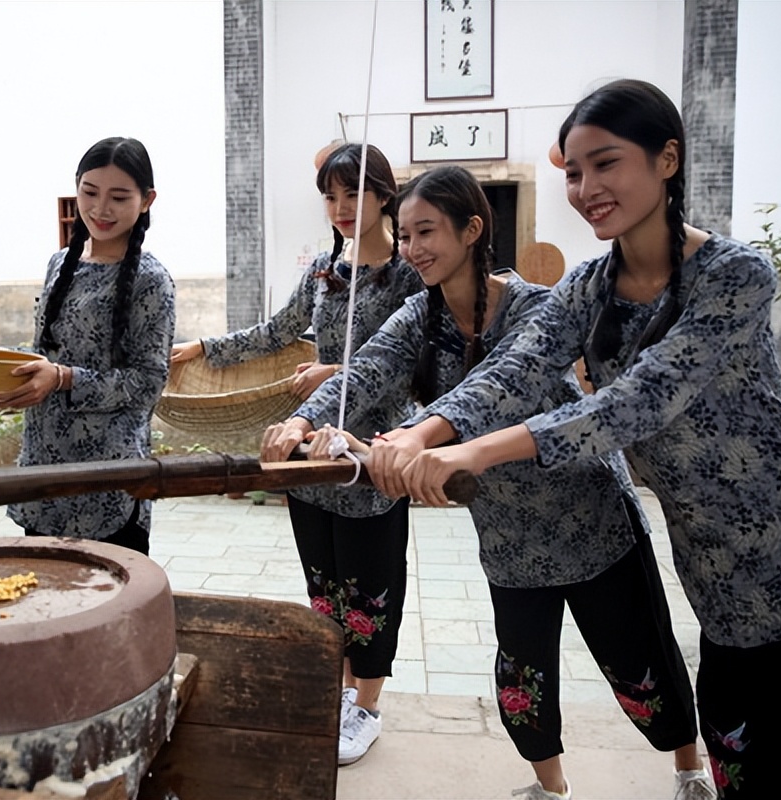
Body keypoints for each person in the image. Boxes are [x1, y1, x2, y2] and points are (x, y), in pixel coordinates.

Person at [388, 80, 781, 799]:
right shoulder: (589, 286)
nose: (586, 188)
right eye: (574, 173)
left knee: (775, 755)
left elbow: (638, 401)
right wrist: (427, 431)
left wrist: (473, 450)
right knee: (735, 749)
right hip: (709, 563)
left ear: (668, 159)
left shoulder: (735, 277)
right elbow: (518, 367)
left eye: (606, 163)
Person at [265, 165, 714, 799]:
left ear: (472, 229)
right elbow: (366, 371)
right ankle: (549, 787)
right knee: (523, 673)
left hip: (589, 518)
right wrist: (306, 417)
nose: (414, 248)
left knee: (640, 660)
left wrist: (417, 434)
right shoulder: (417, 315)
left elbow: (502, 387)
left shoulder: (535, 307)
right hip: (506, 531)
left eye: (428, 232)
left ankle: (689, 770)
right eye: (406, 234)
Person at [175, 143, 424, 765]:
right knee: (326, 583)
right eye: (331, 196)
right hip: (309, 455)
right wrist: (203, 346)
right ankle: (339, 693)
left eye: (354, 193)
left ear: (384, 195)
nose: (340, 208)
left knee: (372, 584)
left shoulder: (410, 272)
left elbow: (415, 363)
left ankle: (366, 705)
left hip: (371, 458)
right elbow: (277, 331)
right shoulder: (322, 269)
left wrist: (332, 371)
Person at [0, 137, 175, 556]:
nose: (101, 209)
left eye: (119, 197)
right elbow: (47, 354)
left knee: (109, 609)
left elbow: (147, 383)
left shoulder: (153, 281)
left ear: (147, 200)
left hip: (108, 482)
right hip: (44, 471)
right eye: (90, 192)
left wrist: (63, 379)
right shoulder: (59, 264)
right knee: (43, 604)